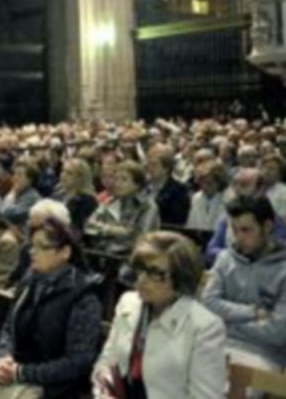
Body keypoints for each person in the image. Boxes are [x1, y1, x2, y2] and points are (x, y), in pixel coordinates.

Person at [92, 231, 226, 399]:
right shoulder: (128, 303)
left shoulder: (205, 326)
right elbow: (106, 363)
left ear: (182, 278)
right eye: (139, 270)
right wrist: (103, 394)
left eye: (154, 273)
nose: (141, 280)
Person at [0, 217, 102, 399]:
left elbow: (79, 361)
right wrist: (4, 358)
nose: (32, 252)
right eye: (32, 246)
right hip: (18, 377)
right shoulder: (29, 280)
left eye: (42, 247)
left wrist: (22, 372)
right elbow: (9, 327)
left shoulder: (83, 296)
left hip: (55, 389)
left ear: (64, 252)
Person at [202, 195, 286, 374]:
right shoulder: (225, 258)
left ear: (267, 227)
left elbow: (278, 332)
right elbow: (208, 303)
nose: (239, 237)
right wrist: (253, 313)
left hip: (262, 354)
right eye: (235, 230)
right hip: (213, 344)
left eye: (246, 230)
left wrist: (225, 322)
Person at [85, 161, 160, 254]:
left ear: (137, 184)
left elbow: (141, 238)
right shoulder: (112, 201)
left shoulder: (148, 206)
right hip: (105, 252)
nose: (118, 183)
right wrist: (112, 230)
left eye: (124, 179)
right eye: (116, 179)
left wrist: (107, 230)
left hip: (132, 256)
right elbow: (89, 225)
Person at [146, 145, 190, 225]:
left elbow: (177, 221)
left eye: (154, 165)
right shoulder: (143, 187)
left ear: (166, 168)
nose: (149, 168)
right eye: (148, 164)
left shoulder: (179, 190)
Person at [55, 158, 98, 234]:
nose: (63, 176)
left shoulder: (87, 201)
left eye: (69, 173)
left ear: (80, 178)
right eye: (63, 171)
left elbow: (80, 227)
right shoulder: (56, 195)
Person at [185, 160, 227, 231]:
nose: (204, 187)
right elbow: (191, 225)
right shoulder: (196, 198)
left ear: (219, 182)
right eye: (202, 183)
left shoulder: (227, 200)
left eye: (209, 183)